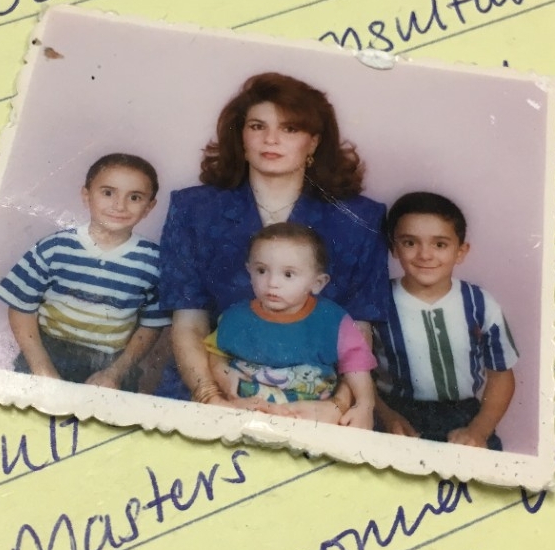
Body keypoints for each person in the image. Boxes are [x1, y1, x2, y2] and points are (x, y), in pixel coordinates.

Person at [157, 71, 389, 419]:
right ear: (241, 137)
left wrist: (338, 406)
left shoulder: (360, 219)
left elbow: (357, 327)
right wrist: (211, 399)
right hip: (210, 390)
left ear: (313, 142)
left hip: (318, 404)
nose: (271, 139)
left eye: (290, 129)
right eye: (257, 126)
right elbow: (189, 321)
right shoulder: (193, 209)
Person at [0, 153, 170, 388]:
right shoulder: (54, 247)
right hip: (48, 352)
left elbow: (151, 325)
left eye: (135, 197)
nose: (119, 205)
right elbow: (21, 308)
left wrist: (115, 373)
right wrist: (42, 369)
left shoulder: (154, 262)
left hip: (112, 363)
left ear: (149, 207)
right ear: (86, 196)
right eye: (108, 193)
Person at [375, 191, 518, 450]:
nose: (425, 255)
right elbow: (356, 373)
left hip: (464, 416)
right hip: (395, 414)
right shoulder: (376, 302)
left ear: (461, 251)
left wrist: (479, 430)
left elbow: (501, 377)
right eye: (410, 243)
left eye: (439, 244)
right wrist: (387, 417)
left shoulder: (480, 303)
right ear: (393, 247)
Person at [205, 223, 377, 427]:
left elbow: (357, 364)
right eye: (261, 271)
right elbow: (216, 351)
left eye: (288, 274)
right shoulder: (236, 316)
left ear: (318, 283)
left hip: (310, 417)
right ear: (248, 271)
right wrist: (222, 373)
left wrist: (365, 405)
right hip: (247, 412)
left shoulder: (333, 320)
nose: (272, 283)